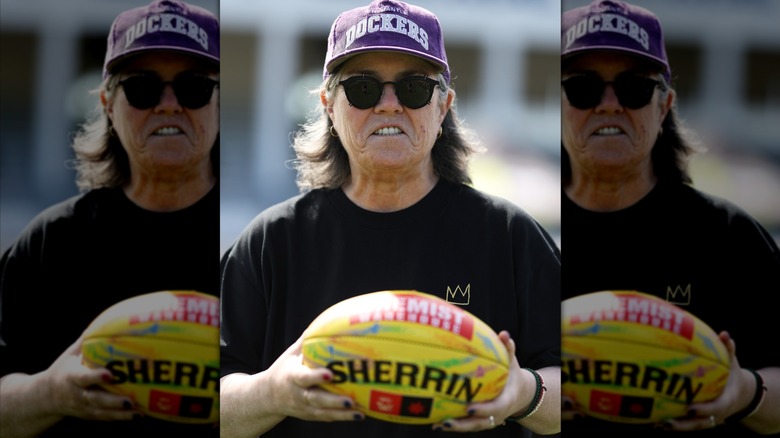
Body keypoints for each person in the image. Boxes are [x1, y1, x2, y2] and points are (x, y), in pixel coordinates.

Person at [218, 1, 561, 437]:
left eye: (414, 88)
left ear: (443, 108)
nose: (389, 105)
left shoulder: (509, 236)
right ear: (328, 105)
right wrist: (270, 393)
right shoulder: (271, 242)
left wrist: (524, 393)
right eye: (362, 88)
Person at [560, 0, 780, 436]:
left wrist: (744, 392)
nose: (608, 105)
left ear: (664, 107)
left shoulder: (728, 238)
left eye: (635, 88)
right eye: (582, 88)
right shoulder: (525, 241)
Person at [0, 0, 220, 436]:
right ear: (107, 104)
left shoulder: (254, 245)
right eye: (142, 88)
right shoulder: (52, 241)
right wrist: (49, 393)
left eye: (194, 87)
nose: (169, 105)